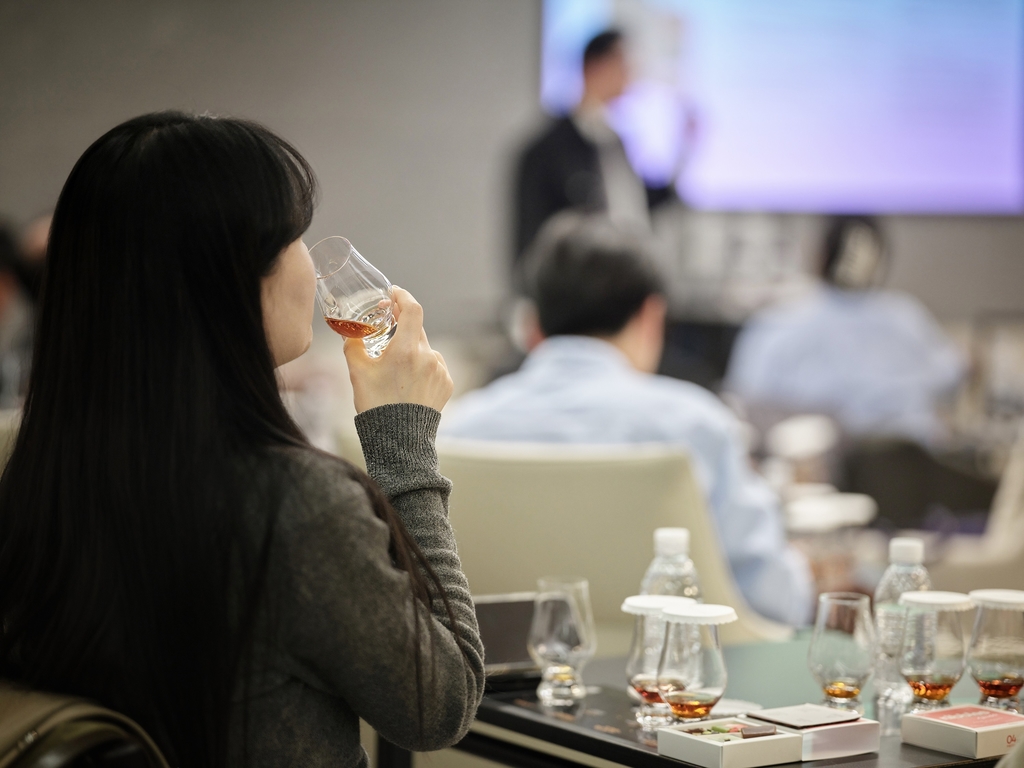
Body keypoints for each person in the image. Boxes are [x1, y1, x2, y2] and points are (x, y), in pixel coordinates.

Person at [0, 112, 483, 768]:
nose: (310, 268)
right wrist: (403, 438)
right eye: (294, 239)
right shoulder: (291, 504)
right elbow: (440, 705)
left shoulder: (43, 470)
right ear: (227, 277)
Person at [442, 215, 813, 627]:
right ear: (651, 316)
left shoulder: (456, 430)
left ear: (531, 324)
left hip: (506, 667)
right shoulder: (697, 425)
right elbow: (773, 600)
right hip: (671, 666)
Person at [725, 216, 967, 446]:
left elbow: (745, 403)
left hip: (843, 461)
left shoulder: (777, 324)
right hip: (901, 462)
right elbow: (953, 372)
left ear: (819, 257)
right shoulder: (907, 317)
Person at [512, 29, 674, 272]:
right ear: (595, 66)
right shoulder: (547, 150)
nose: (630, 75)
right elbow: (531, 243)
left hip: (625, 277)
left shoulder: (614, 142)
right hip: (581, 285)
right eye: (623, 64)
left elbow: (634, 206)